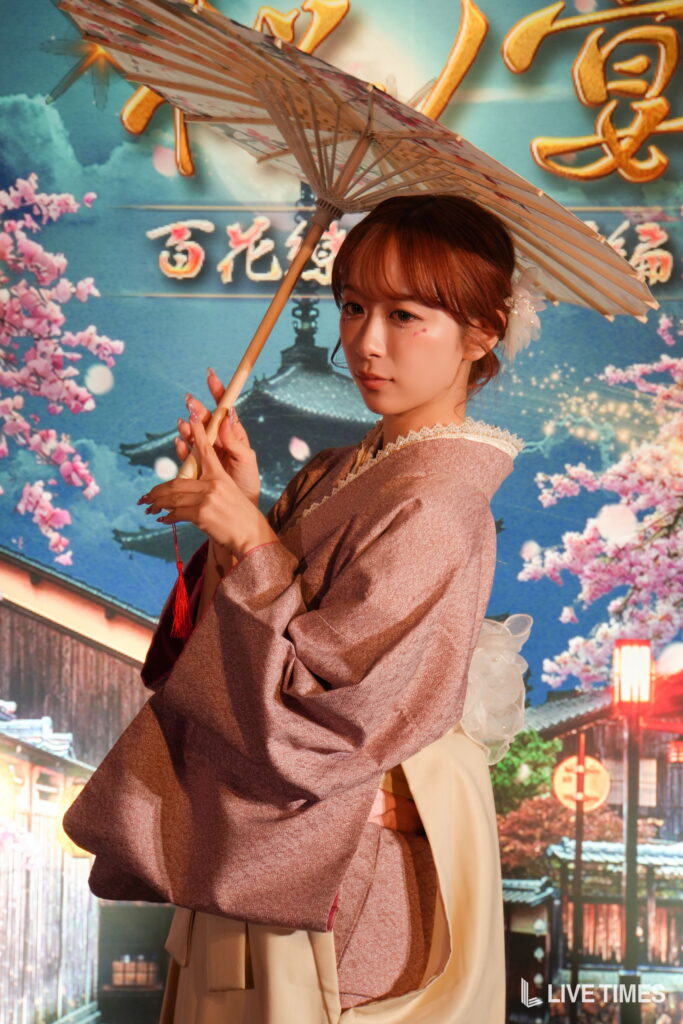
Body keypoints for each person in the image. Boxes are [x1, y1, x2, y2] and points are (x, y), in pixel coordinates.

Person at [62, 193, 533, 1023]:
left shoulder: (439, 502)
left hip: (331, 854)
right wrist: (246, 505)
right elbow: (251, 634)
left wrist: (249, 541)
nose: (367, 342)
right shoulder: (343, 467)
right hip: (276, 834)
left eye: (406, 315)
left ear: (482, 332)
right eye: (352, 306)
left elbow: (324, 715)